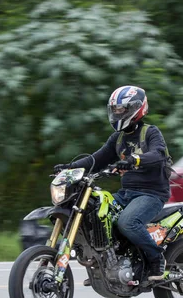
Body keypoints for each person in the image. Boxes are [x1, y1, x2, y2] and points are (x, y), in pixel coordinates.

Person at [54, 85, 172, 284]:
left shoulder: (150, 133)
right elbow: (95, 159)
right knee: (97, 215)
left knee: (128, 222)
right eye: (115, 110)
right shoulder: (117, 139)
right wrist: (69, 168)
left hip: (152, 194)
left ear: (136, 109)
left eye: (122, 109)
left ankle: (156, 257)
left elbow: (158, 154)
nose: (117, 113)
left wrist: (134, 159)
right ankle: (106, 265)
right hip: (127, 193)